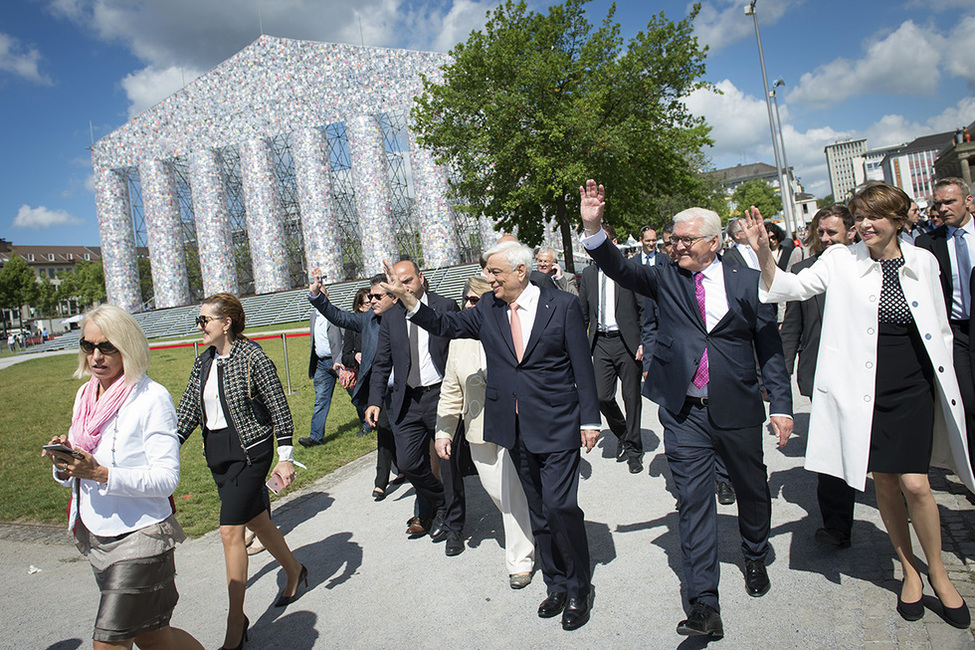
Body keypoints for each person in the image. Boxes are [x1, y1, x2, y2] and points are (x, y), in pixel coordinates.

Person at [745, 182, 975, 628]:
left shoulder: (924, 261)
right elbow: (787, 288)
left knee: (917, 484)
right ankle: (909, 572)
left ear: (900, 219)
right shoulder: (839, 260)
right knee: (886, 482)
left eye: (875, 217)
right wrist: (763, 255)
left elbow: (939, 325)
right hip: (865, 387)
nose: (865, 225)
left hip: (913, 384)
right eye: (860, 217)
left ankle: (940, 573)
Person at [579, 179, 793, 640]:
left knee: (752, 488)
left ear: (714, 243)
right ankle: (704, 604)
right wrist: (593, 228)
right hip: (684, 412)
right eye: (673, 238)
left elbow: (769, 347)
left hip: (737, 406)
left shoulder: (747, 281)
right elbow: (617, 266)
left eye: (685, 239)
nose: (675, 245)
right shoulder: (663, 276)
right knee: (693, 504)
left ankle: (754, 553)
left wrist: (782, 404)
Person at [384, 241, 600, 631]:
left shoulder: (562, 307)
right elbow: (445, 325)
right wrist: (409, 302)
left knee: (559, 506)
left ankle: (580, 586)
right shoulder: (487, 309)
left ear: (520, 271)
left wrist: (590, 420)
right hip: (513, 429)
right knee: (537, 510)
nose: (489, 279)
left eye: (495, 272)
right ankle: (555, 583)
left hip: (557, 423)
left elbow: (582, 367)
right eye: (487, 272)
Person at [43, 304, 203, 650]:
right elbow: (83, 465)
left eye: (107, 347)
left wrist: (100, 474)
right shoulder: (85, 396)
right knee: (152, 636)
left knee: (109, 641)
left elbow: (166, 479)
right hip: (98, 533)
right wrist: (64, 462)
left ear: (127, 346)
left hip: (141, 536)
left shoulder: (151, 397)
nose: (96, 356)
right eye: (88, 346)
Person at [176, 293, 306, 650]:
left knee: (230, 532)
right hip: (217, 453)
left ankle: (236, 622)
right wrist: (166, 447)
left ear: (226, 323)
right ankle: (294, 570)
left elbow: (280, 409)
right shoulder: (203, 362)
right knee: (257, 522)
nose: (199, 326)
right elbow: (187, 410)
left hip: (251, 453)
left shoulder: (253, 357)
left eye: (204, 320)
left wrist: (285, 456)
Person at [435, 276, 536, 577]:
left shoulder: (513, 331)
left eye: (476, 300)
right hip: (478, 431)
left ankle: (520, 561)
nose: (469, 305)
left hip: (516, 427)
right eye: (466, 300)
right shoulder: (459, 342)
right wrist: (444, 430)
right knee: (501, 496)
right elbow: (451, 390)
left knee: (513, 491)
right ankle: (537, 527)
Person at [779, 205, 858, 548]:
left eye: (833, 233)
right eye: (820, 233)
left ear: (851, 233)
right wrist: (779, 375)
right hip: (821, 374)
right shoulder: (802, 271)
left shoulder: (863, 268)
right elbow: (792, 328)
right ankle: (837, 526)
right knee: (832, 450)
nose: (825, 239)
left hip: (862, 374)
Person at [364, 261, 459, 539]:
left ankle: (452, 520)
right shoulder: (392, 317)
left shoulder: (444, 307)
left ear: (421, 277)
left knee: (447, 461)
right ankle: (443, 500)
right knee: (407, 463)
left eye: (408, 280)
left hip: (442, 395)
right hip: (408, 399)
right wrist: (375, 401)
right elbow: (382, 362)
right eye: (398, 282)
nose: (404, 286)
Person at [308, 271, 401, 501]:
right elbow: (338, 317)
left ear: (393, 295)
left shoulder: (405, 316)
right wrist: (318, 296)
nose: (372, 301)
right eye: (370, 296)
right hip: (380, 388)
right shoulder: (367, 319)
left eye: (378, 296)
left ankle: (410, 470)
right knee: (385, 430)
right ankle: (381, 481)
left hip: (406, 387)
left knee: (404, 434)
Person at [916, 177, 975, 471]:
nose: (943, 208)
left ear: (968, 201)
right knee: (967, 402)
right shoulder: (928, 243)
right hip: (956, 333)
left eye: (950, 201)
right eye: (939, 203)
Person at [579, 225, 645, 474]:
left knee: (631, 398)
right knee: (601, 396)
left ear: (614, 242)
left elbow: (643, 308)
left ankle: (634, 450)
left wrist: (644, 342)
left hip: (627, 342)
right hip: (601, 343)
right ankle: (624, 433)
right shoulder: (587, 274)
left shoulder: (629, 271)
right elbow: (583, 315)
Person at [298, 273, 343, 448]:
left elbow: (345, 338)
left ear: (327, 296)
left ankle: (368, 422)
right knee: (321, 399)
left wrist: (340, 359)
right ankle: (315, 436)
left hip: (338, 362)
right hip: (322, 365)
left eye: (322, 293)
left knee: (356, 394)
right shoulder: (313, 317)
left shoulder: (337, 313)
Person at [341, 287, 374, 436]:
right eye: (368, 303)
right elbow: (345, 356)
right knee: (359, 396)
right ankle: (366, 423)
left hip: (379, 369)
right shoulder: (353, 327)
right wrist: (356, 356)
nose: (372, 305)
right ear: (360, 307)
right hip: (361, 371)